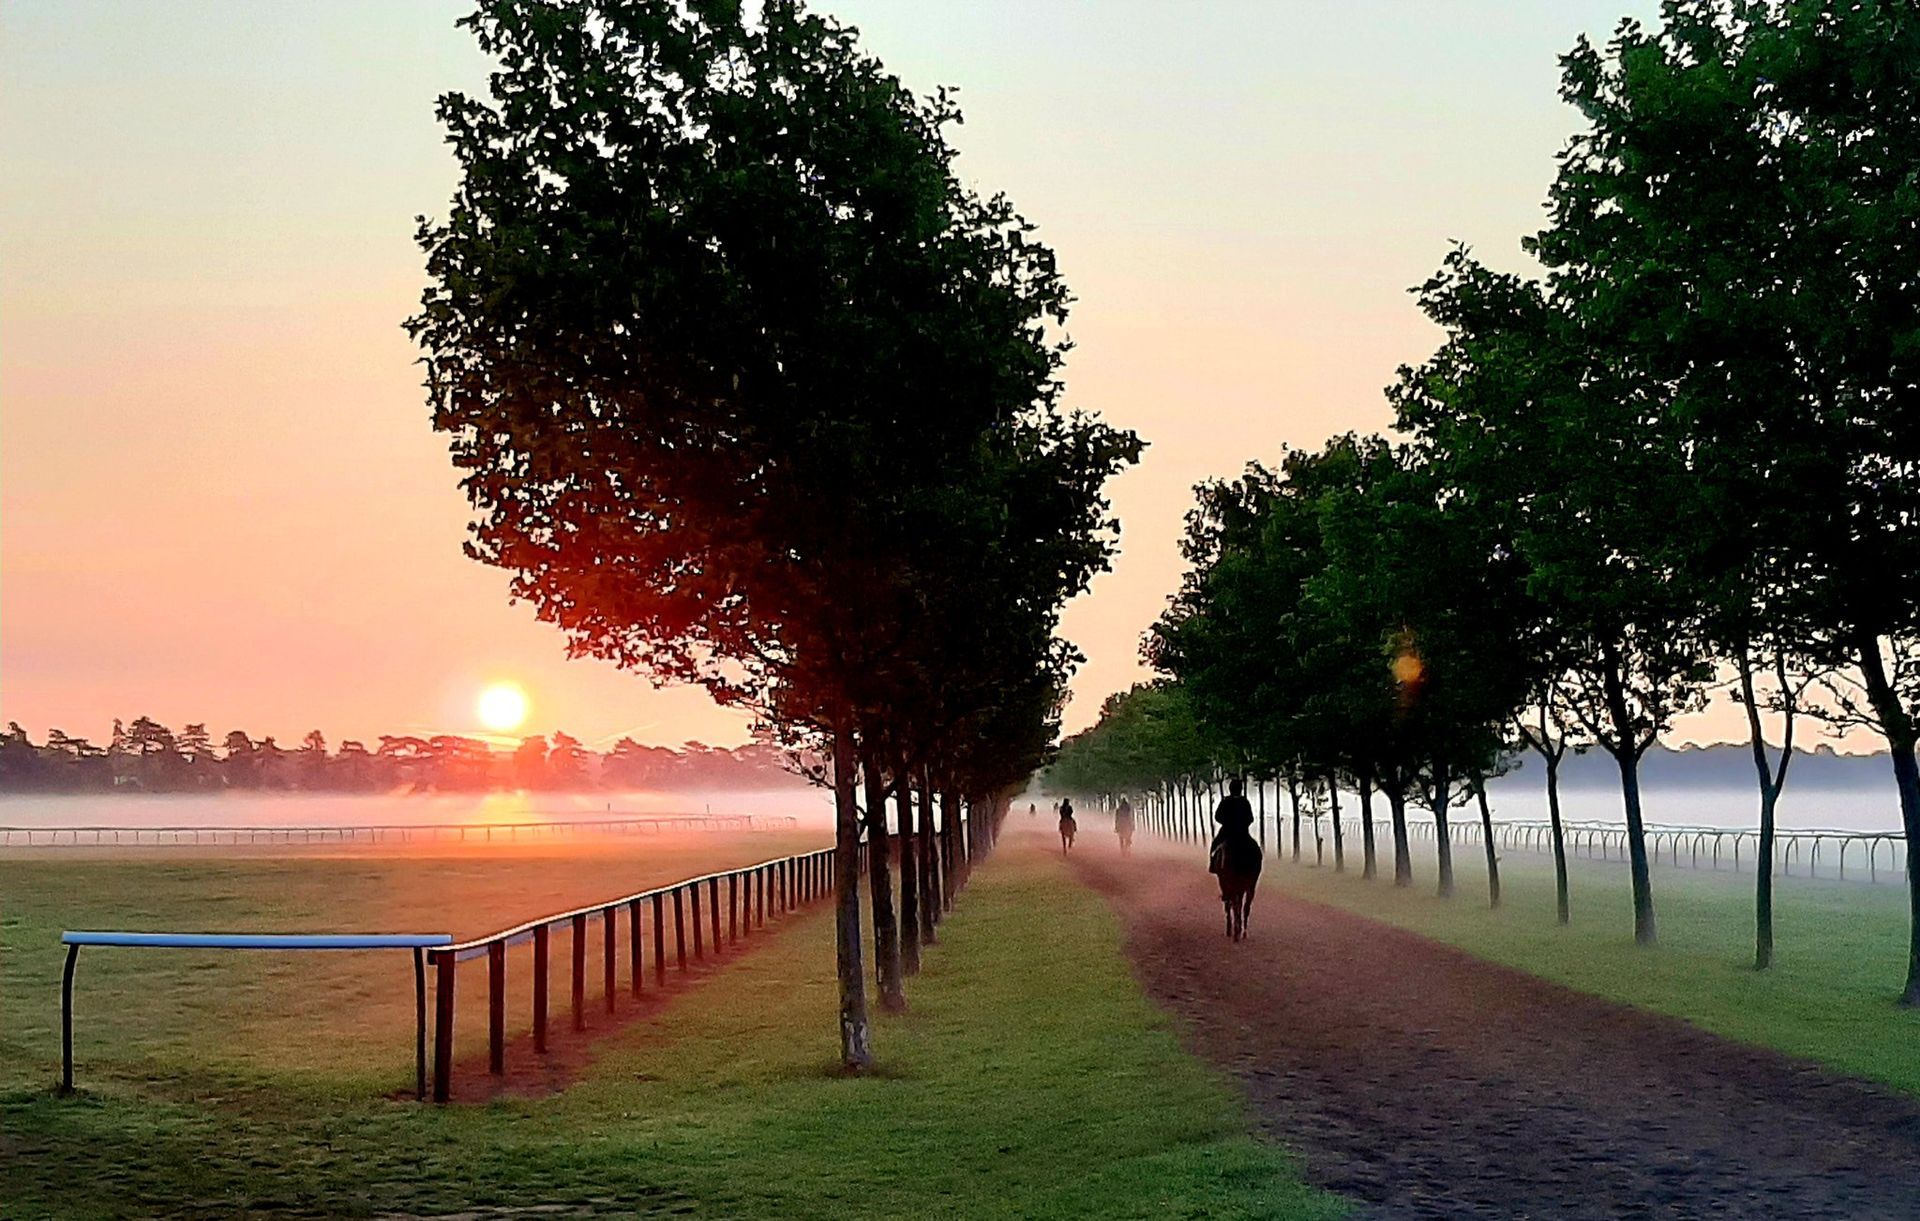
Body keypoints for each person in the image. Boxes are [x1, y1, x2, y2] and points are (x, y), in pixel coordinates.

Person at [1208, 778, 1256, 874]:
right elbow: (1251, 818)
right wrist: (1243, 824)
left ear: (1230, 789)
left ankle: (1213, 864)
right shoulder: (1244, 801)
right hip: (1243, 833)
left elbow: (1217, 816)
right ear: (1240, 789)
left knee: (1215, 845)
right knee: (1255, 849)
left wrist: (1227, 823)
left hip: (1227, 832)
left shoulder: (1226, 801)